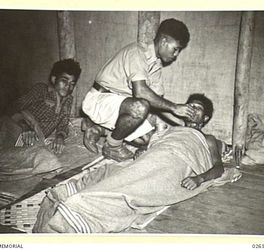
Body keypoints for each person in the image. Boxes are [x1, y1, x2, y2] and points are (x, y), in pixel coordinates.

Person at [33, 93, 234, 233]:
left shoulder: (207, 139)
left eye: (197, 108)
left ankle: (82, 208)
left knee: (138, 188)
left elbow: (218, 168)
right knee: (117, 173)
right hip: (156, 156)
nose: (192, 109)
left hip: (178, 162)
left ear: (205, 118)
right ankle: (77, 197)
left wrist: (199, 179)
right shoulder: (170, 130)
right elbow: (150, 146)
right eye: (190, 106)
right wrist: (142, 150)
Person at [82, 18, 195, 162]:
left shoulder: (155, 66)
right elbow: (140, 92)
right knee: (140, 107)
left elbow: (158, 103)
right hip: (99, 100)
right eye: (175, 49)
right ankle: (112, 146)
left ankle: (97, 128)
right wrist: (174, 107)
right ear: (164, 41)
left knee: (146, 140)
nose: (176, 55)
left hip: (119, 105)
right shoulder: (137, 52)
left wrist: (184, 126)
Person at [0, 59, 81, 154]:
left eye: (72, 83)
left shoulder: (68, 100)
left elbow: (63, 123)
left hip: (34, 138)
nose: (68, 86)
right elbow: (13, 107)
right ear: (54, 79)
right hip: (15, 129)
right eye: (64, 80)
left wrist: (60, 137)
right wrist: (25, 126)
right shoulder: (41, 90)